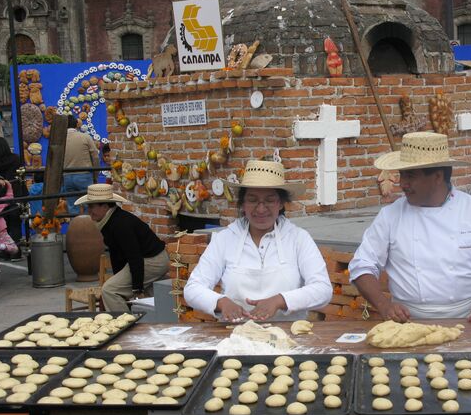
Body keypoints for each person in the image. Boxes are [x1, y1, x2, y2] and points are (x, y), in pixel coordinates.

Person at [348, 131, 471, 323]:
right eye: (401, 175)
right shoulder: (389, 216)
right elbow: (362, 265)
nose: (402, 184)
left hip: (469, 321)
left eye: (410, 176)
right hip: (405, 323)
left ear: (438, 176)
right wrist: (384, 306)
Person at [184, 160, 332, 322]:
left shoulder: (298, 238)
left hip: (288, 338)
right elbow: (192, 288)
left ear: (281, 203)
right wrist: (221, 302)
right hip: (235, 337)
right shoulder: (225, 239)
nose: (261, 209)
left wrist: (280, 300)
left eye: (269, 200)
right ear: (243, 204)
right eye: (253, 200)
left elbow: (323, 290)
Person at [74, 184, 169, 312]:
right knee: (120, 288)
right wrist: (119, 279)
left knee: (110, 290)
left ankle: (125, 324)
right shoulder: (109, 221)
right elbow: (117, 255)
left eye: (92, 207)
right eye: (88, 207)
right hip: (147, 259)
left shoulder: (120, 224)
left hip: (153, 260)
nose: (89, 211)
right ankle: (148, 322)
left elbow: (134, 256)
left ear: (105, 206)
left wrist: (137, 288)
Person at [0, 137, 24, 258]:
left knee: (2, 226)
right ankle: (16, 252)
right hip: (16, 193)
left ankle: (4, 251)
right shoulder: (16, 159)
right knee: (16, 222)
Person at [63, 115, 98, 215]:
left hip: (67, 176)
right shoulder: (85, 137)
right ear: (76, 125)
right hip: (84, 175)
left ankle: (76, 229)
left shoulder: (60, 141)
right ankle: (89, 228)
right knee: (89, 206)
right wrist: (95, 174)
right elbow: (95, 156)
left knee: (72, 207)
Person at [0, 172, 19, 287]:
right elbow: (10, 197)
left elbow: (9, 198)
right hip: (0, 231)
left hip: (0, 232)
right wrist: (8, 185)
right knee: (13, 249)